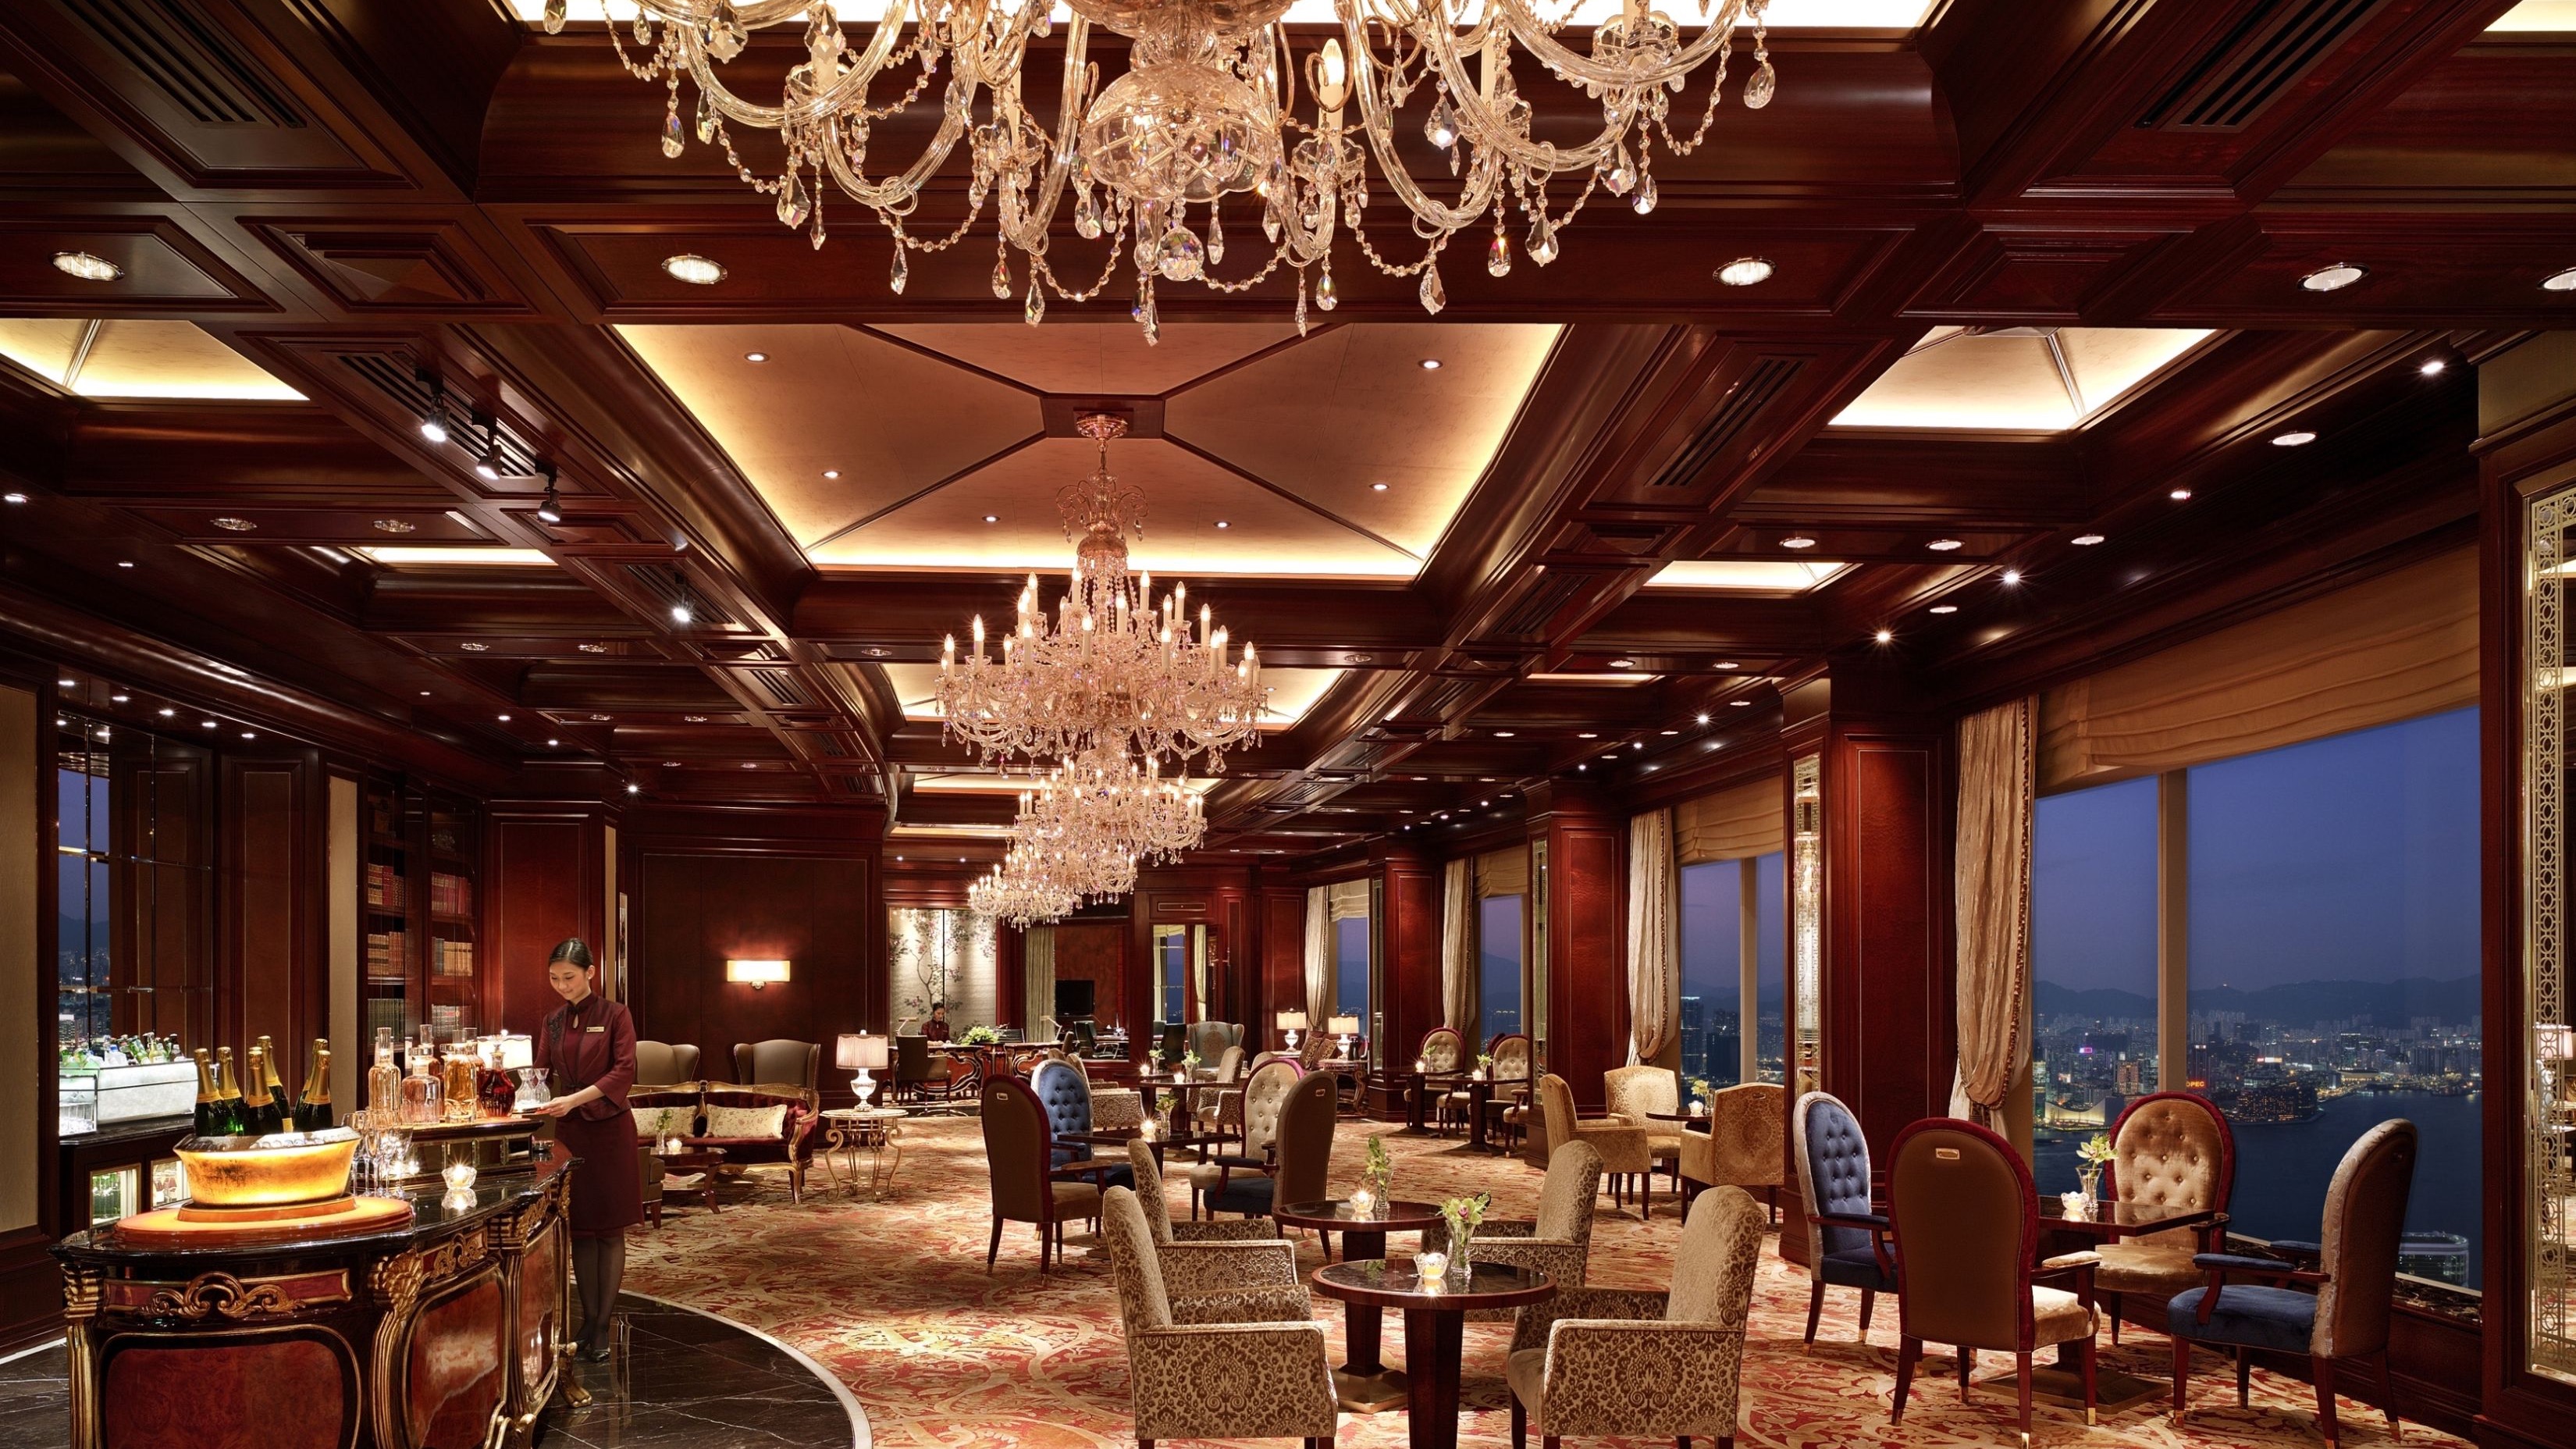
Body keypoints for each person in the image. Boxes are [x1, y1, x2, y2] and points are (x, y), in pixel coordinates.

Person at [528, 938, 641, 1362]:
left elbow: (624, 1071)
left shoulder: (616, 1015)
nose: (562, 986)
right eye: (555, 979)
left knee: (609, 1231)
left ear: (591, 973)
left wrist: (574, 1099)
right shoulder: (553, 1020)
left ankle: (601, 1327)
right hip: (571, 1132)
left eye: (570, 978)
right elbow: (540, 1071)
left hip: (610, 1130)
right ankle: (588, 1318)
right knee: (579, 1228)